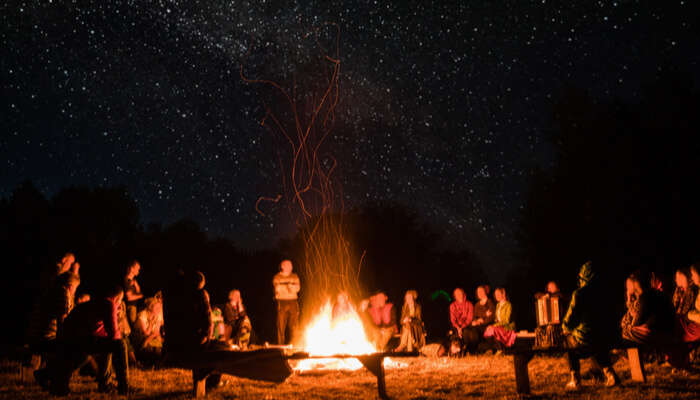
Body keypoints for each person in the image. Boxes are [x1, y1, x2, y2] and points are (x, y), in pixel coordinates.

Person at [38, 284, 130, 396]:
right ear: (117, 298)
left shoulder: (96, 304)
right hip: (74, 339)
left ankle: (47, 374)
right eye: (120, 300)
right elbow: (114, 335)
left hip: (70, 338)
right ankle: (124, 387)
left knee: (90, 352)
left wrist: (114, 318)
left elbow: (101, 332)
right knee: (119, 344)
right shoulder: (109, 303)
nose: (120, 303)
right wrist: (115, 317)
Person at [562, 261, 618, 390]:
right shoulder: (605, 292)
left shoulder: (580, 294)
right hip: (604, 337)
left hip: (585, 339)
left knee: (568, 343)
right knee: (597, 342)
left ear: (583, 276)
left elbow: (570, 320)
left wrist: (564, 328)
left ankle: (575, 379)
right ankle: (610, 374)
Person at [273, 259, 300, 345]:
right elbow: (277, 289)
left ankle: (295, 344)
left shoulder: (295, 276)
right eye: (289, 265)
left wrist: (287, 287)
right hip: (282, 302)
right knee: (281, 326)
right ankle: (281, 346)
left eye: (291, 265)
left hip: (293, 302)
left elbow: (297, 288)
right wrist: (289, 287)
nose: (291, 267)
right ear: (282, 266)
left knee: (294, 326)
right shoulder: (277, 277)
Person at [463, 285, 495, 354]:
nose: (480, 293)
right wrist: (478, 319)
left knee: (474, 331)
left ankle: (474, 350)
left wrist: (481, 321)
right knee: (466, 330)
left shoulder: (490, 303)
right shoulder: (477, 305)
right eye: (478, 292)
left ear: (485, 292)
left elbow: (491, 317)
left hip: (486, 324)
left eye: (481, 291)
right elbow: (474, 316)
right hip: (477, 324)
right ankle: (469, 349)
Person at [132, 294, 164, 360]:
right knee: (150, 345)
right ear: (150, 307)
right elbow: (146, 333)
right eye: (157, 308)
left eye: (159, 308)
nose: (159, 310)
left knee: (158, 344)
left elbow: (156, 332)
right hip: (140, 337)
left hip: (149, 337)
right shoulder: (142, 315)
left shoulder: (158, 315)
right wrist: (151, 324)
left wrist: (147, 340)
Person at [448, 287, 473, 355]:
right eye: (456, 294)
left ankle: (465, 349)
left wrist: (462, 327)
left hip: (466, 326)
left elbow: (469, 318)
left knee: (467, 333)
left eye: (460, 293)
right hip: (456, 327)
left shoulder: (469, 304)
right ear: (454, 296)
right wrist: (458, 328)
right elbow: (453, 319)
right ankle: (454, 350)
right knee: (453, 334)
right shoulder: (452, 306)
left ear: (463, 294)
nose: (458, 295)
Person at [124, 261, 144, 325]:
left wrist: (137, 286)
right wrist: (141, 295)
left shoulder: (133, 281)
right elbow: (129, 297)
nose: (138, 271)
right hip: (130, 308)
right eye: (137, 269)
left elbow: (138, 292)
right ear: (132, 269)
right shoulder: (127, 281)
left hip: (134, 307)